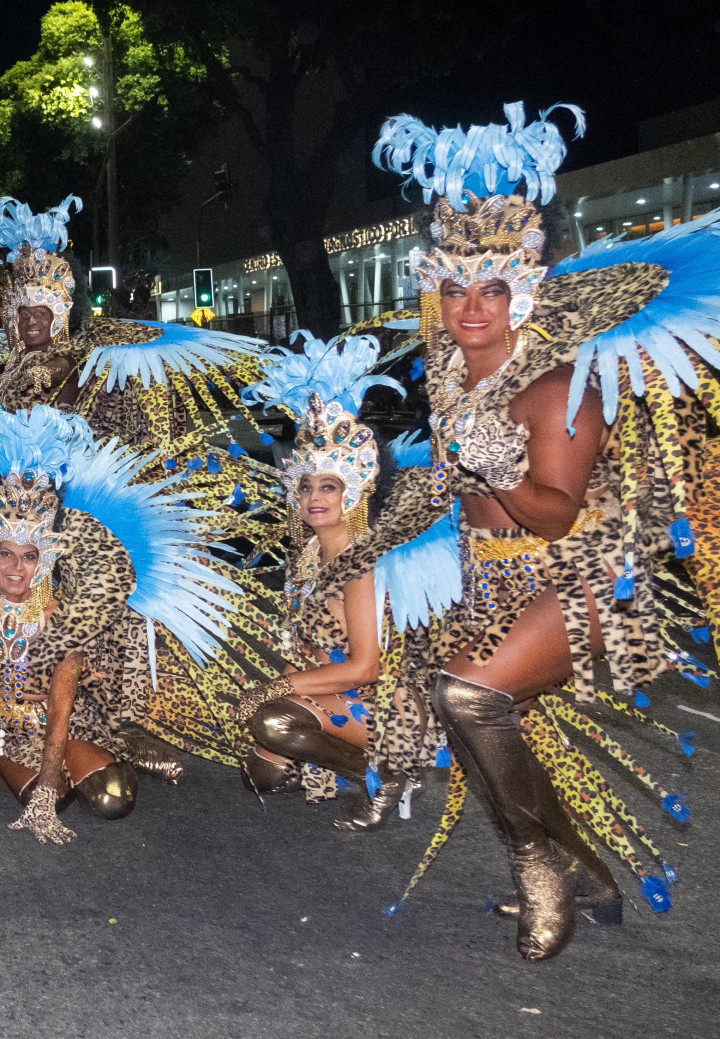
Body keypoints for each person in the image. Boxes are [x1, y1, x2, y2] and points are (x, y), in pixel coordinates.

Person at [367, 100, 720, 959]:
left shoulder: (561, 385)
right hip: (492, 579)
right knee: (478, 731)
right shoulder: (448, 377)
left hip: (584, 576)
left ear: (527, 288)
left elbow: (557, 509)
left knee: (470, 696)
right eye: (455, 287)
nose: (472, 306)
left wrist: (499, 469)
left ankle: (539, 869)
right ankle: (593, 876)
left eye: (493, 287)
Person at [0, 407, 244, 840]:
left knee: (111, 799)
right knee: (48, 798)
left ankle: (121, 744)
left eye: (29, 557)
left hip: (67, 719)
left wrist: (50, 777)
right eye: (5, 554)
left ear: (45, 560)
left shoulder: (62, 615)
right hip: (5, 729)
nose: (16, 569)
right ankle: (102, 754)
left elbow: (62, 698)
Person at [232, 333, 453, 829]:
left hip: (387, 703)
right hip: (338, 693)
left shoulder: (363, 563)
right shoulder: (308, 555)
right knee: (259, 775)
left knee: (270, 719)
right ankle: (325, 752)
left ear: (354, 493)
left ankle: (384, 776)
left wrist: (273, 688)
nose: (314, 496)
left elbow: (365, 667)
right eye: (306, 485)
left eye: (329, 486)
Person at [0, 196, 261, 457]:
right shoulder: (15, 362)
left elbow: (59, 369)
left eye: (41, 314)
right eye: (23, 315)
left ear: (58, 317)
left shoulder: (71, 358)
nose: (31, 322)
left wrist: (41, 374)